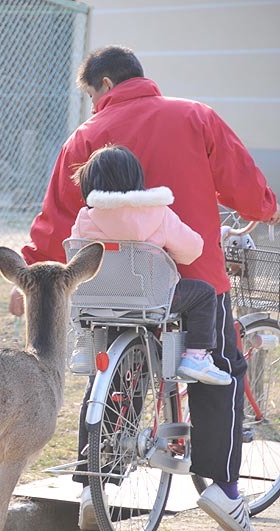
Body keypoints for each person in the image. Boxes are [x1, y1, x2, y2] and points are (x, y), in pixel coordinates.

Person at [9, 45, 280, 531]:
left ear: (106, 86)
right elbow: (243, 188)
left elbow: (55, 220)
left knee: (117, 369)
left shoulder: (86, 136)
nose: (93, 106)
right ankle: (222, 490)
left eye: (92, 95)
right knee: (220, 368)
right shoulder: (195, 116)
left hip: (109, 287)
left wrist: (28, 274)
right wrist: (265, 207)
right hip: (190, 279)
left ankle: (100, 485)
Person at [69, 144, 230, 385]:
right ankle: (196, 357)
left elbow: (75, 253)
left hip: (99, 302)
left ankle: (84, 345)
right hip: (152, 300)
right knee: (204, 294)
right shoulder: (157, 213)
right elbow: (192, 250)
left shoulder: (85, 218)